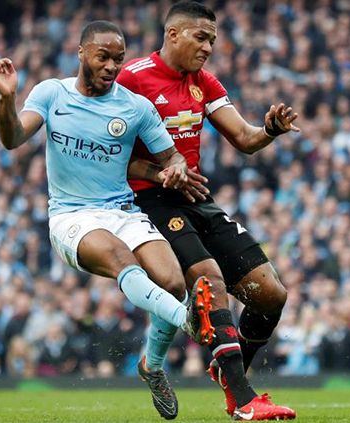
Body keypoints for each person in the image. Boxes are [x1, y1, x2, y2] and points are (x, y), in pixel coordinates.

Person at [0, 20, 216, 420]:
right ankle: (189, 321)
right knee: (122, 259)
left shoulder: (134, 107)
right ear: (81, 53)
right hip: (71, 216)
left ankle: (153, 366)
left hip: (122, 211)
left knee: (173, 280)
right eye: (103, 57)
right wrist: (7, 99)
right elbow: (12, 139)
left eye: (118, 59)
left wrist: (177, 167)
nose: (111, 66)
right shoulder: (50, 93)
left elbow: (170, 156)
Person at [118, 2, 298, 419]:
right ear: (173, 34)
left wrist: (269, 130)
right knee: (208, 278)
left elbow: (245, 137)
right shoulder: (133, 79)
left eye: (213, 40)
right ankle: (244, 398)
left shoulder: (204, 82)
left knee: (270, 294)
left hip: (196, 197)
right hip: (149, 199)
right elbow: (111, 156)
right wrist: (163, 170)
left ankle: (231, 374)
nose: (208, 47)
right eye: (201, 37)